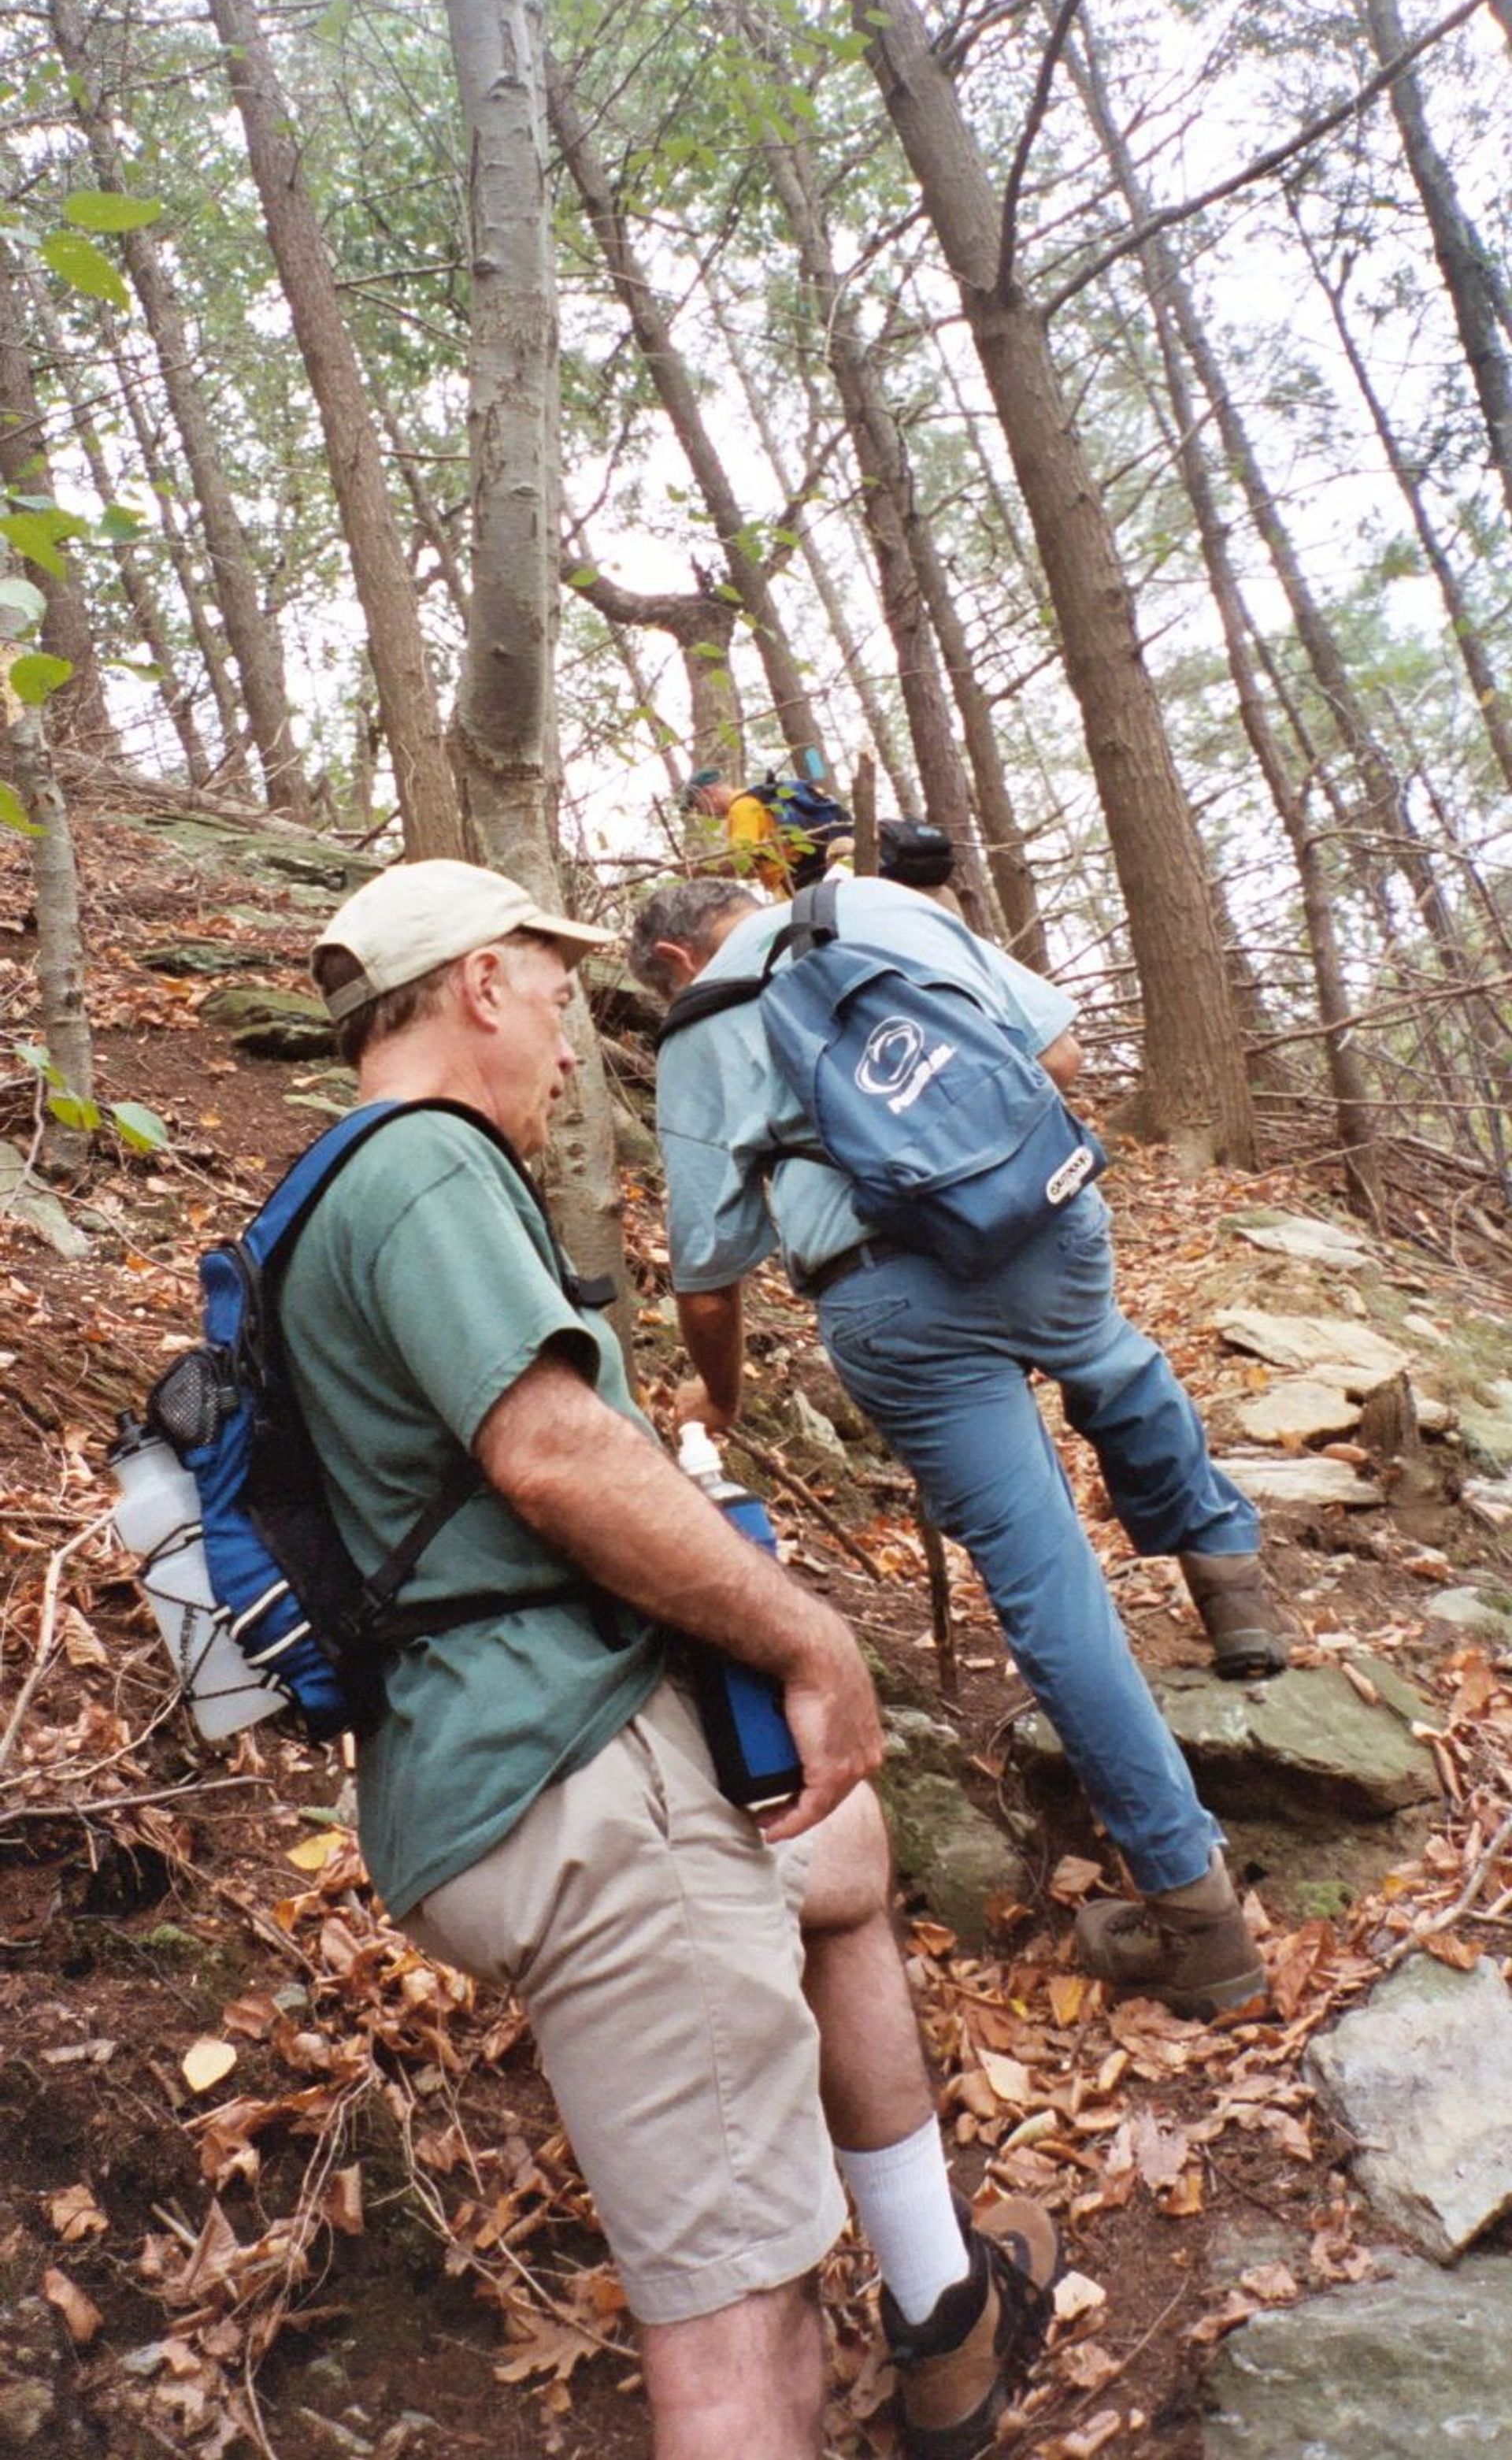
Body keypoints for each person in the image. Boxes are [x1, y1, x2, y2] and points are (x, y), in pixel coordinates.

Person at [287, 858, 1060, 2460]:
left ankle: (944, 2312)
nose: (574, 1046)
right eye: (558, 995)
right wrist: (806, 1629)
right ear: (484, 981)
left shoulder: (334, 1193)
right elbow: (552, 1451)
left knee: (838, 1853)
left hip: (490, 1764)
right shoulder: (426, 1166)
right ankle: (885, 2335)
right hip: (580, 1780)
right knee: (739, 2326)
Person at [630, 874, 1289, 2027]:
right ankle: (1234, 1587)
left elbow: (706, 1272)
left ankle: (1200, 1919)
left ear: (677, 964)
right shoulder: (875, 903)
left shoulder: (702, 1027)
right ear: (753, 893)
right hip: (1048, 1216)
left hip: (895, 1304)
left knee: (1047, 1581)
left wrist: (720, 1396)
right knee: (1113, 1360)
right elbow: (1065, 1055)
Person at [681, 766, 850, 895]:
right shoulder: (759, 799)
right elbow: (754, 866)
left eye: (698, 806)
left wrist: (700, 870)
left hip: (803, 884)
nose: (702, 813)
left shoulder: (742, 807)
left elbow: (742, 861)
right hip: (817, 874)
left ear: (707, 793)